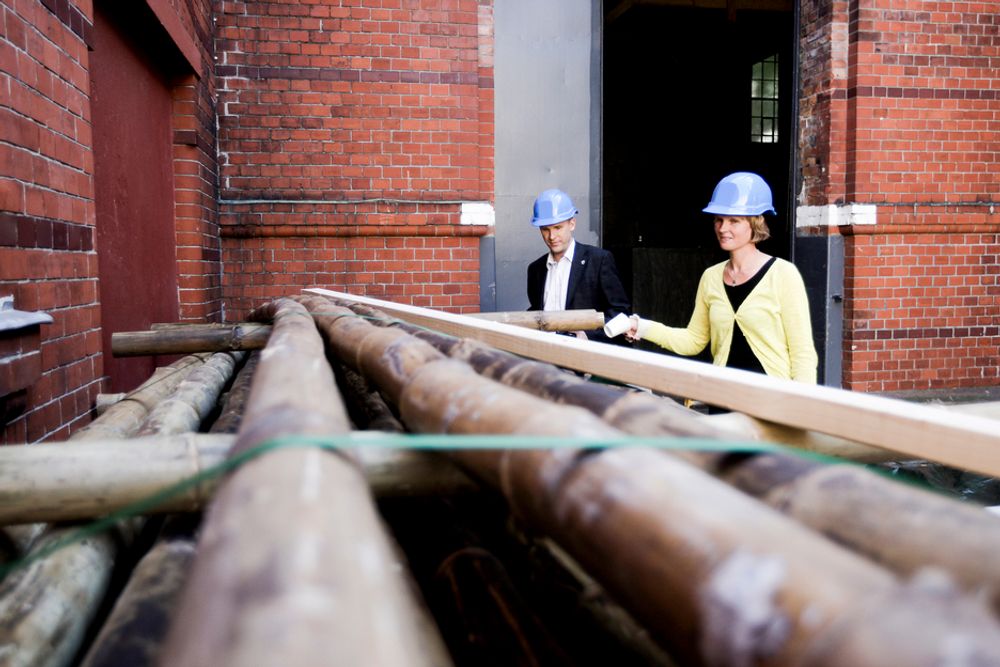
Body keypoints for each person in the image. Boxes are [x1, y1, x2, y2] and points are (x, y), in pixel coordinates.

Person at [623, 172, 818, 383]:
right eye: (719, 220)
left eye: (734, 221)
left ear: (756, 223)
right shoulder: (711, 277)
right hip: (722, 395)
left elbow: (802, 353)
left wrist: (801, 407)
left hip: (771, 401)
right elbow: (693, 340)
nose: (723, 228)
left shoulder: (783, 274)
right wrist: (641, 326)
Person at [527, 188, 631, 343]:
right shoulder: (536, 269)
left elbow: (621, 314)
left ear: (572, 224)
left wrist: (588, 337)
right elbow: (536, 313)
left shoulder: (599, 260)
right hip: (545, 355)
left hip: (584, 357)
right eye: (545, 229)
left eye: (557, 228)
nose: (552, 236)